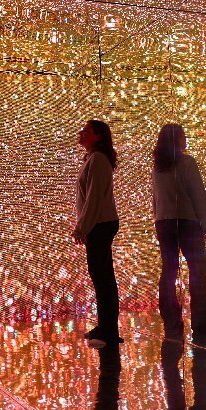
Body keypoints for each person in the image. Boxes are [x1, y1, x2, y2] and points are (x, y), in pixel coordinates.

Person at [151, 124, 206, 340]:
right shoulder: (187, 162)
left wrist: (158, 219)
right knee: (197, 271)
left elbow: (155, 198)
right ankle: (202, 323)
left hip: (163, 222)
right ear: (179, 139)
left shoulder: (157, 167)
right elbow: (198, 194)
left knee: (168, 271)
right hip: (187, 222)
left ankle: (172, 322)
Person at [74, 119, 122, 349]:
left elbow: (93, 199)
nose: (81, 133)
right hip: (98, 224)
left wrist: (83, 227)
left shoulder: (99, 160)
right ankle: (105, 326)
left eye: (86, 130)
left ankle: (109, 332)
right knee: (101, 277)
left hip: (100, 225)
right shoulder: (94, 160)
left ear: (98, 136)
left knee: (103, 278)